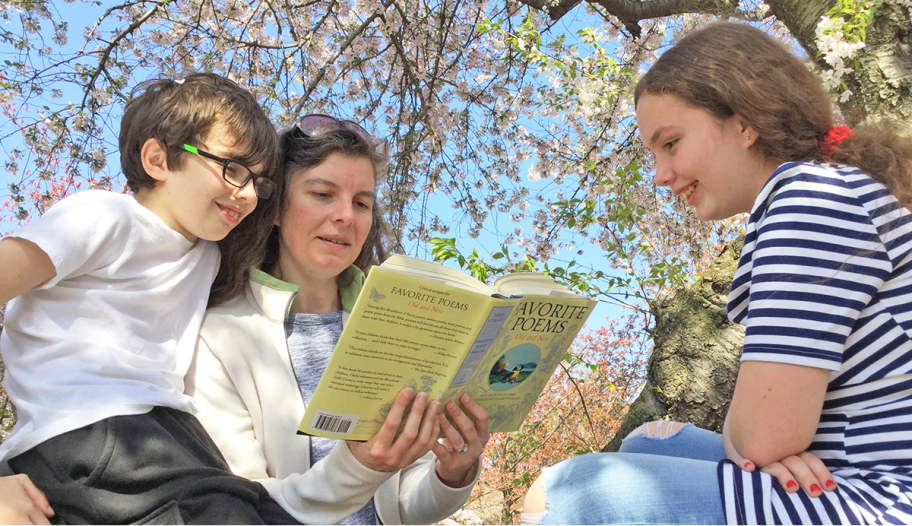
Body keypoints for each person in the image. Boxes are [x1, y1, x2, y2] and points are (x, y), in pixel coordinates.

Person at [520, 21, 912, 525]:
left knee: (561, 494)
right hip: (848, 470)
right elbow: (766, 440)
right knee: (650, 441)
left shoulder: (810, 204)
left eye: (672, 143)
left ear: (743, 122)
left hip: (884, 496)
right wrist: (766, 445)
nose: (660, 175)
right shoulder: (826, 190)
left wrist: (766, 444)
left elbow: (763, 438)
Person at [0, 73, 300, 525]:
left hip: (172, 435)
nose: (248, 194)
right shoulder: (104, 217)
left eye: (259, 182)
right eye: (232, 168)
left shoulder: (209, 255)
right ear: (158, 159)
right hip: (92, 429)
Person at [186, 115, 490, 525]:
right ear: (275, 208)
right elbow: (244, 504)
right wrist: (361, 467)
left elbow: (400, 507)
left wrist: (452, 472)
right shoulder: (217, 336)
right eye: (323, 194)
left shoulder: (394, 328)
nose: (346, 215)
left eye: (361, 202)